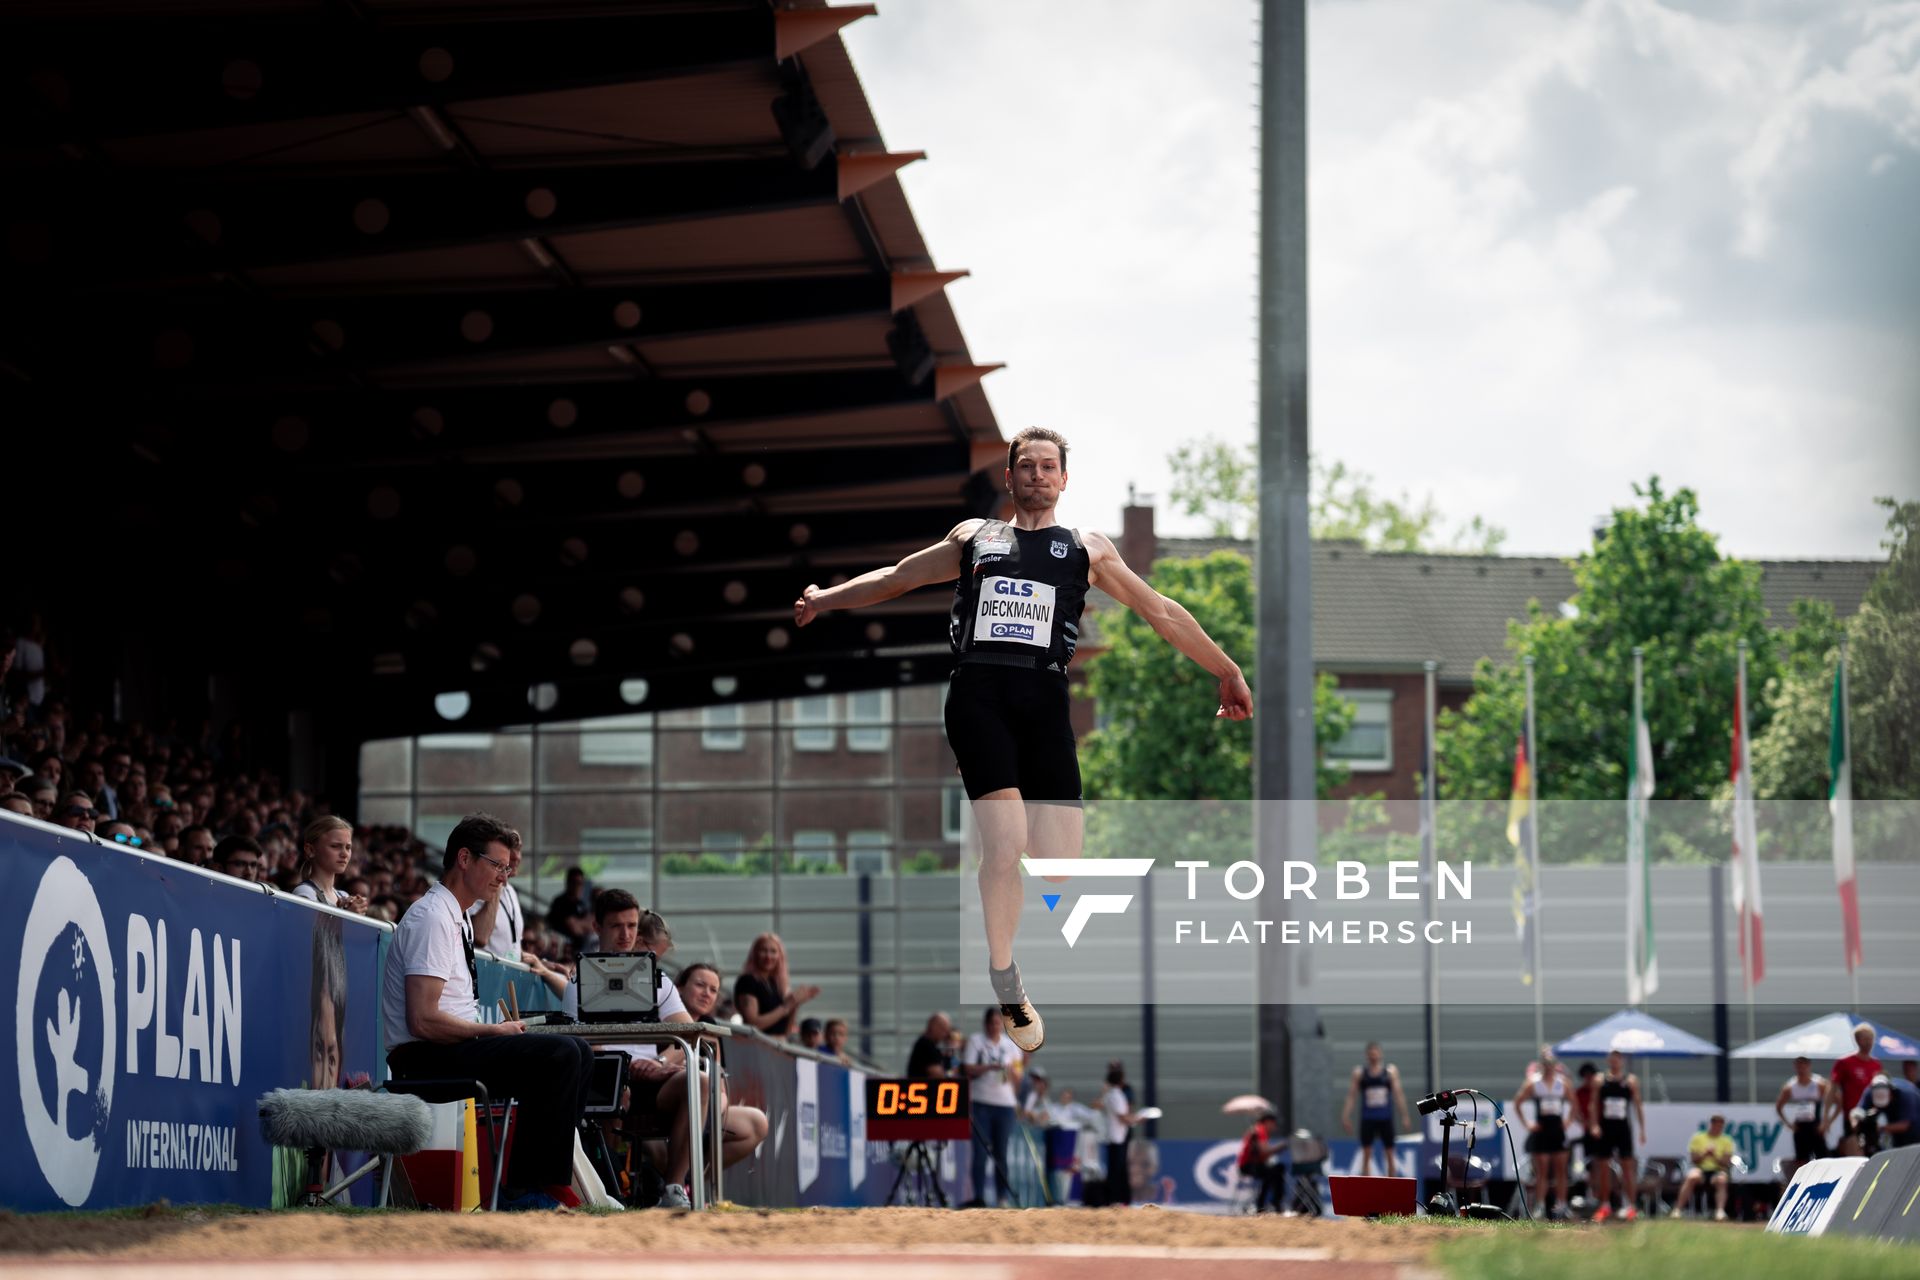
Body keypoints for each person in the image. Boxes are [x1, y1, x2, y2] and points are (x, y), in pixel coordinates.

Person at [794, 427, 1252, 1052]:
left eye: (1048, 467)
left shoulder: (1086, 550)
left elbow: (1161, 611)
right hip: (979, 694)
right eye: (1025, 466)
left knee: (1060, 867)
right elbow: (899, 578)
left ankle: (1025, 925)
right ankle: (1005, 975)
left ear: (1064, 480)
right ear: (1008, 479)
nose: (1037, 475)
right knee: (1005, 844)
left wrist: (1225, 668)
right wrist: (826, 598)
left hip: (1044, 700)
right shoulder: (973, 538)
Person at [381, 812, 595, 1211]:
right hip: (423, 1057)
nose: (504, 876)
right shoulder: (432, 918)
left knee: (578, 1051)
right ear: (465, 859)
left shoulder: (455, 914)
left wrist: (488, 1032)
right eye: (497, 865)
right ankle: (523, 1192)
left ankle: (544, 1182)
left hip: (447, 1049)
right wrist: (491, 1032)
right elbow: (422, 1020)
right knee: (561, 1054)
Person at [962, 1006, 1025, 1208]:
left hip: (1005, 1105)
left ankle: (1002, 1197)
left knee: (1001, 1153)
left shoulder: (1011, 1046)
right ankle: (979, 1195)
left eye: (998, 1023)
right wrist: (989, 1067)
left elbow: (1018, 1075)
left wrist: (1010, 1074)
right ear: (985, 1024)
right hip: (981, 1102)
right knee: (980, 1152)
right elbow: (968, 1068)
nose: (994, 1027)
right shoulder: (976, 1041)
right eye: (991, 1023)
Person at [1586, 1050, 1647, 1222]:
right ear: (1608, 1060)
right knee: (1603, 1168)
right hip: (1605, 1128)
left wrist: (1642, 1129)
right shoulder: (1599, 1080)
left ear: (1622, 1061)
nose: (1614, 1062)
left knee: (1628, 1167)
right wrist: (1594, 1125)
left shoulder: (1630, 1080)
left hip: (1622, 1128)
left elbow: (1637, 1105)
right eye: (1611, 1059)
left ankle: (1631, 1206)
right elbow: (1593, 1104)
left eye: (1617, 1059)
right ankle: (1605, 1205)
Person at [1513, 1051, 1572, 1220]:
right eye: (1545, 1063)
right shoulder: (1534, 1083)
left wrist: (1567, 1122)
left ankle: (1562, 1205)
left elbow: (1574, 1104)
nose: (1548, 1066)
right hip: (1542, 1130)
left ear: (1555, 1065)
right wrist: (1527, 1124)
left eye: (1551, 1063)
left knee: (1561, 1170)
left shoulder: (1563, 1083)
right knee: (1542, 1171)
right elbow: (1518, 1102)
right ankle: (1540, 1206)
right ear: (1541, 1065)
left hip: (1557, 1131)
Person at [1340, 1041, 1410, 1175]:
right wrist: (1345, 1116)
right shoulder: (1360, 1073)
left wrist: (1404, 1115)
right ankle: (1367, 1187)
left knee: (1390, 1153)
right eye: (1371, 1055)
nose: (1374, 1057)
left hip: (1385, 1118)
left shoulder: (1390, 1072)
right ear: (1367, 1056)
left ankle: (1391, 1185)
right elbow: (1351, 1096)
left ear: (1380, 1054)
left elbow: (1398, 1094)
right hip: (1368, 1118)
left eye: (1376, 1054)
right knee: (1366, 1154)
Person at [733, 932, 819, 1038]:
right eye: (764, 950)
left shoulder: (776, 984)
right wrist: (786, 1007)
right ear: (755, 953)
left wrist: (795, 1004)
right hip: (756, 1046)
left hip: (778, 1047)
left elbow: (785, 1032)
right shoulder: (747, 981)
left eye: (773, 951)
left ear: (780, 956)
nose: (768, 956)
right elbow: (752, 1024)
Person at [1823, 1023, 1883, 1155]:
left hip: (1871, 1117)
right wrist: (1826, 1116)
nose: (1868, 1042)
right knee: (1855, 1156)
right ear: (1857, 1040)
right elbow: (1832, 1089)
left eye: (1870, 1039)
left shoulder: (1876, 1064)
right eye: (1865, 1038)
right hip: (1852, 1118)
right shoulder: (1845, 1062)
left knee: (1873, 1154)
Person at [469, 829, 527, 959]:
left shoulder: (511, 891)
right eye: (513, 849)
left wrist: (542, 965)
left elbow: (511, 947)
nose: (517, 857)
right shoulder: (480, 887)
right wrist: (499, 878)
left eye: (519, 849)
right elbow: (480, 936)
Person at [292, 816, 368, 914]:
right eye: (335, 846)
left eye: (348, 847)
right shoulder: (305, 893)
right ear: (310, 850)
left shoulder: (343, 895)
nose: (344, 854)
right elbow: (307, 929)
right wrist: (348, 915)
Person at [1100, 1062, 1147, 1207]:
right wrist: (1139, 1119)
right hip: (1118, 1137)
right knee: (1117, 1170)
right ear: (1121, 1080)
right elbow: (1123, 1117)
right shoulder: (1117, 1095)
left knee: (1114, 1169)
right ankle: (1115, 1200)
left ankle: (1112, 1199)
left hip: (1112, 1135)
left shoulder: (1108, 1095)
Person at [1673, 1114, 1735, 1220]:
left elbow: (1725, 1162)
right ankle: (1678, 1209)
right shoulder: (1698, 1138)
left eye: (1720, 1126)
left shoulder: (1727, 1140)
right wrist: (1705, 1153)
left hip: (1718, 1170)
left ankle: (1720, 1211)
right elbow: (1694, 1159)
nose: (1718, 1128)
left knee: (1721, 1180)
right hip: (1701, 1169)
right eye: (1716, 1125)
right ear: (1711, 1124)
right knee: (1691, 1177)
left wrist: (1714, 1155)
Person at [1775, 1056, 1830, 1172]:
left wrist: (1825, 1122)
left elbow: (1834, 1100)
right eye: (1799, 1066)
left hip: (1816, 1125)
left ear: (1809, 1066)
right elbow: (1779, 1106)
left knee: (1823, 1157)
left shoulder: (1819, 1084)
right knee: (1801, 1160)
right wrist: (1788, 1124)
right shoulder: (1791, 1086)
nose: (1801, 1069)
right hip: (1800, 1126)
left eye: (1804, 1066)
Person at [1238, 1110, 1286, 1214]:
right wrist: (1281, 1147)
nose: (1275, 1127)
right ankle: (1267, 1204)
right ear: (1268, 1122)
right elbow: (1264, 1151)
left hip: (1253, 1164)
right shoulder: (1260, 1130)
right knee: (1274, 1171)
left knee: (1276, 1170)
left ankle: (1266, 1204)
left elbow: (1263, 1154)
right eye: (1274, 1123)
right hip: (1249, 1165)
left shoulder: (1258, 1130)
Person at [544, 865, 596, 955]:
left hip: (582, 948)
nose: (577, 887)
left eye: (580, 883)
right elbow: (575, 929)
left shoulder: (581, 904)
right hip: (563, 950)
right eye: (574, 883)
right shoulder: (560, 902)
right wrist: (583, 923)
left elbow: (593, 926)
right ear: (568, 883)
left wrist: (580, 923)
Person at [907, 1012, 954, 1079]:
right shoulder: (926, 1045)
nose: (945, 1035)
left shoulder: (930, 1045)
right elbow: (937, 1074)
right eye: (943, 1030)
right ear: (934, 1027)